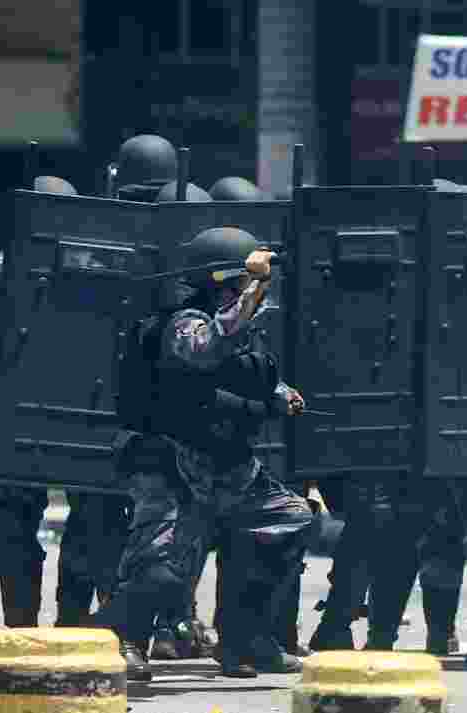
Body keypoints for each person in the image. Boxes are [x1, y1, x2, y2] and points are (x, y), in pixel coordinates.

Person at [95, 227, 315, 681]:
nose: (251, 294)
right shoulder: (185, 323)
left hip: (227, 463)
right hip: (172, 463)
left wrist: (279, 394)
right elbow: (207, 348)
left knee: (287, 519)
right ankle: (125, 640)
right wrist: (254, 289)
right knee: (162, 570)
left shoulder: (234, 324)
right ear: (222, 282)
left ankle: (244, 636)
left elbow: (243, 369)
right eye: (241, 284)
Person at [0, 177, 129, 632]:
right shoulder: (0, 277)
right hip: (17, 419)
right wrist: (7, 335)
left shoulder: (98, 275)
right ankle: (21, 625)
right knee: (15, 528)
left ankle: (71, 623)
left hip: (86, 419)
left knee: (89, 527)